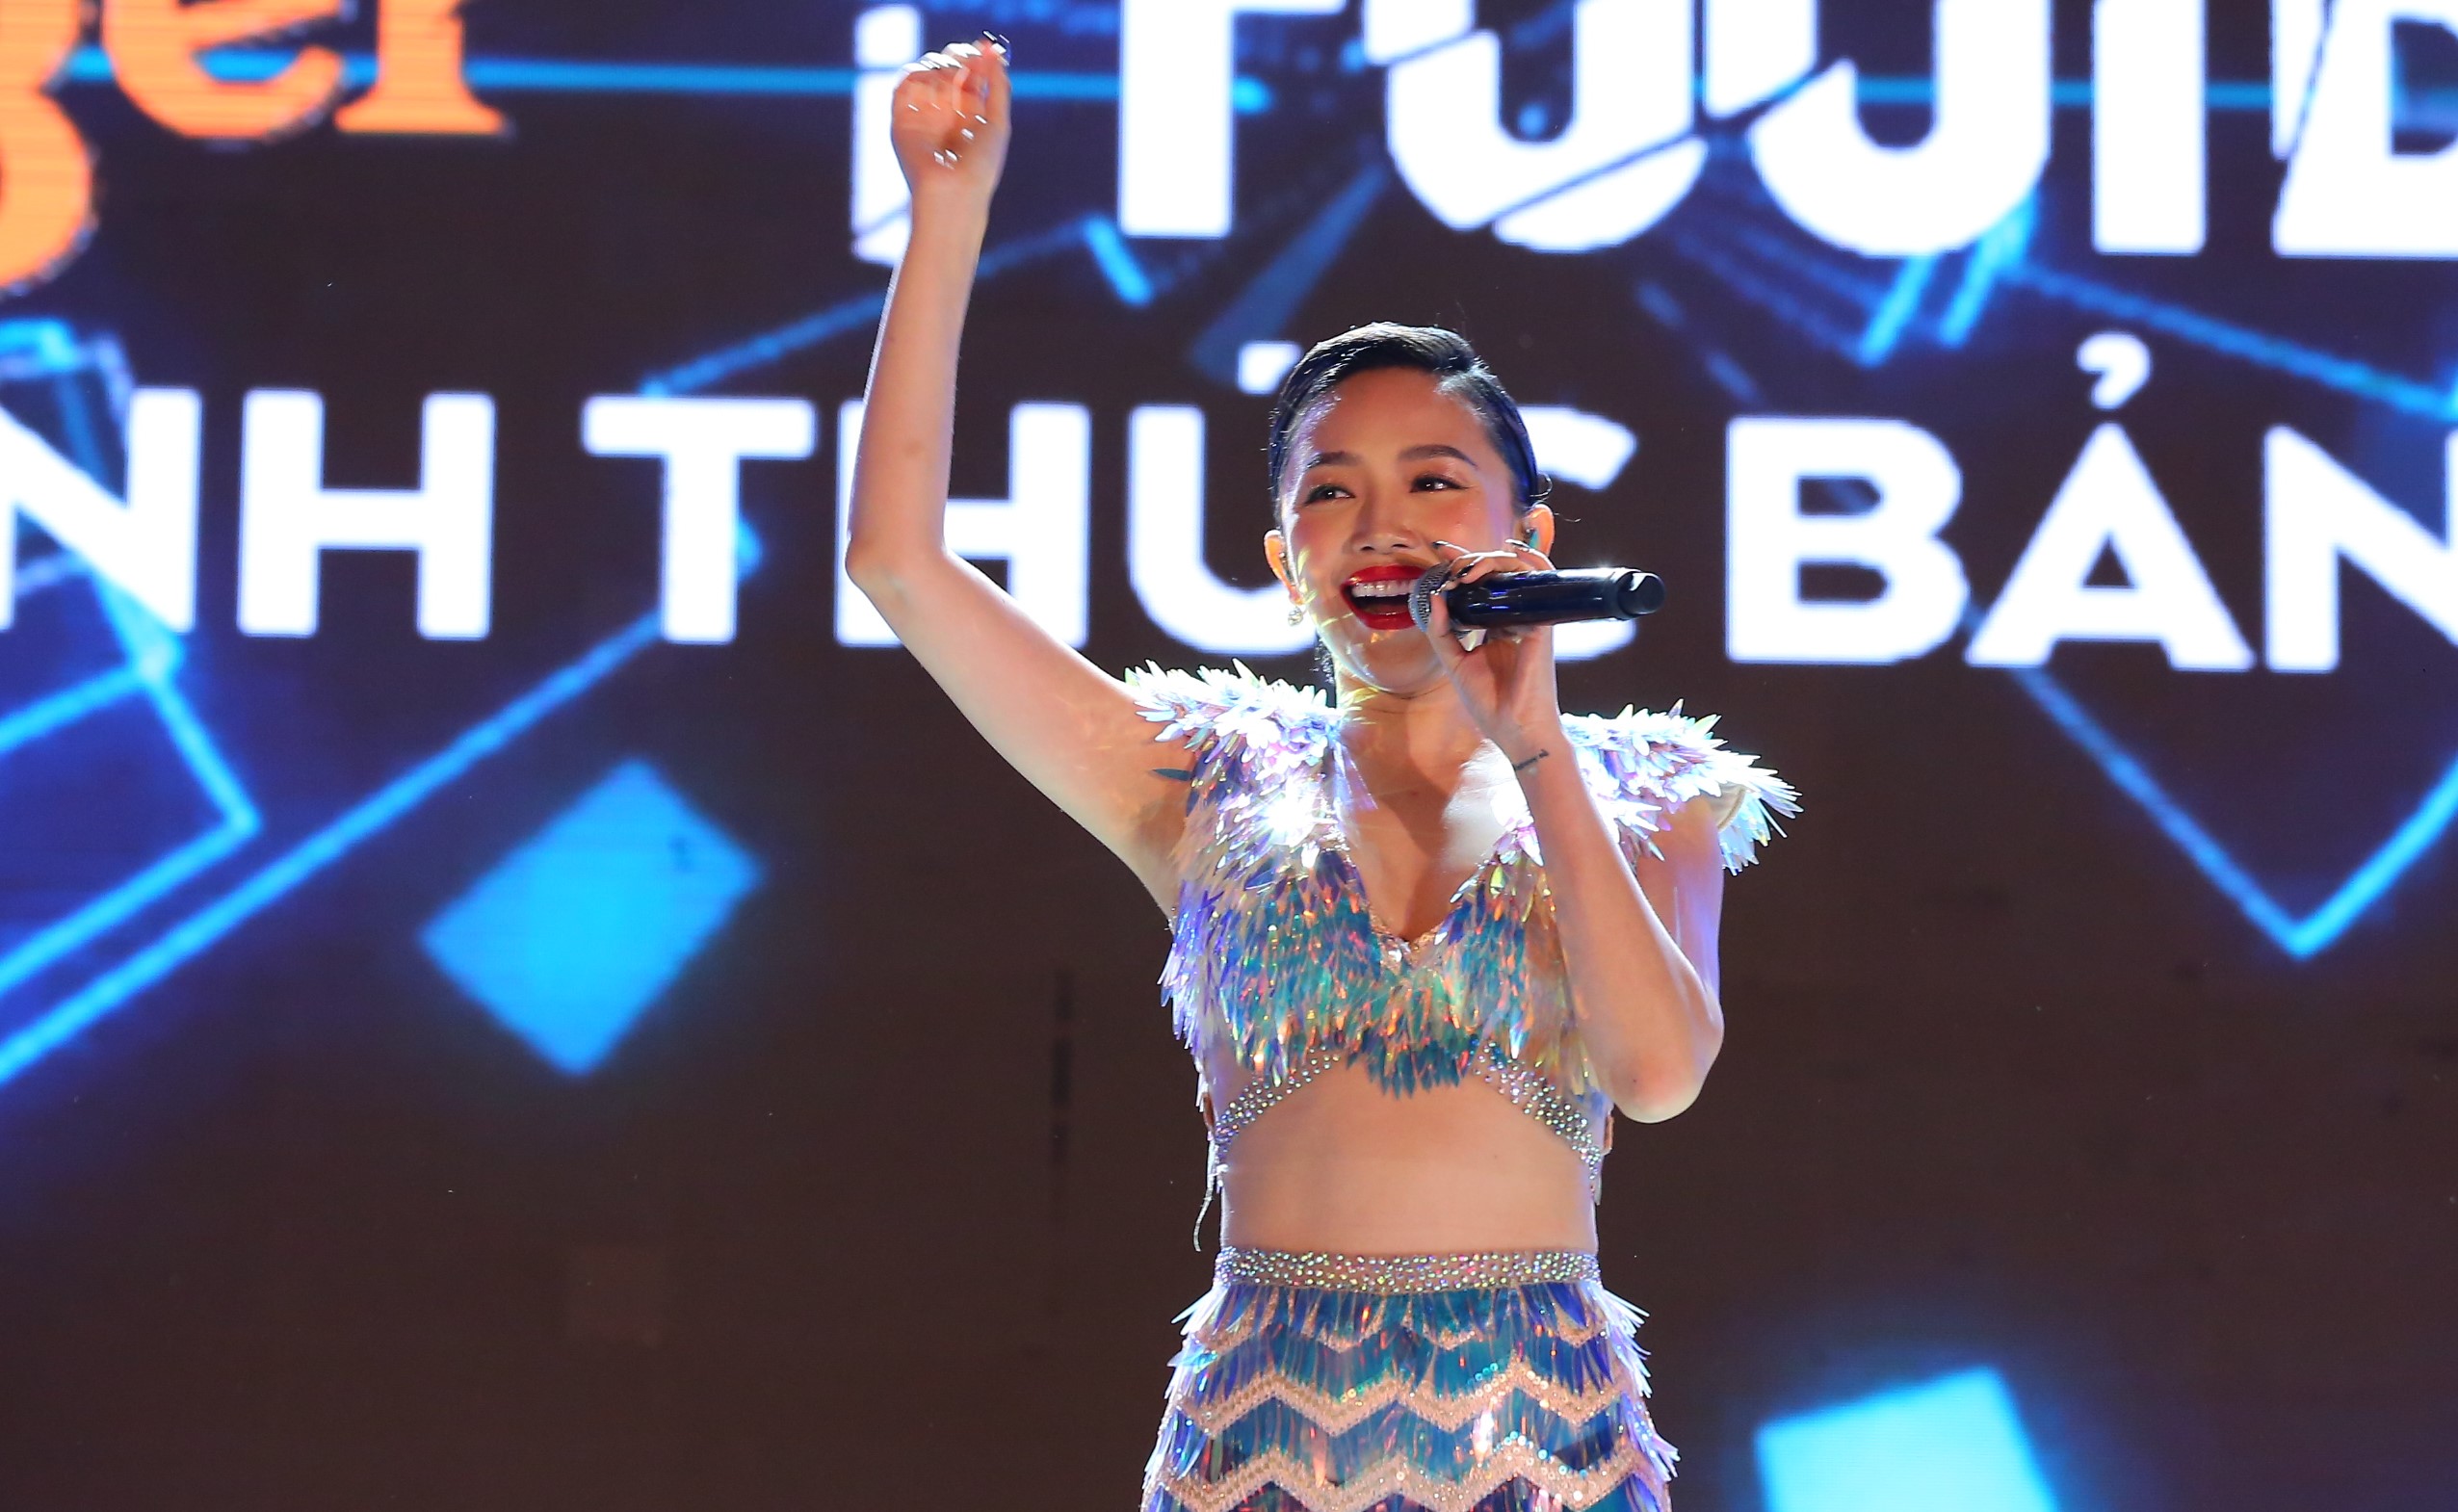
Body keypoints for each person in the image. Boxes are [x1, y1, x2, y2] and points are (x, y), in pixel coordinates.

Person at [846, 39, 1797, 1512]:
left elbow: (1660, 1076)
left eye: (1435, 481)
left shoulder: (1644, 791)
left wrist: (1535, 747)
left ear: (1530, 538)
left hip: (1546, 1449)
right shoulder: (1200, 780)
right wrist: (948, 214)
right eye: (1332, 492)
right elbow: (898, 563)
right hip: (1259, 1446)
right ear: (1288, 564)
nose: (1383, 522)